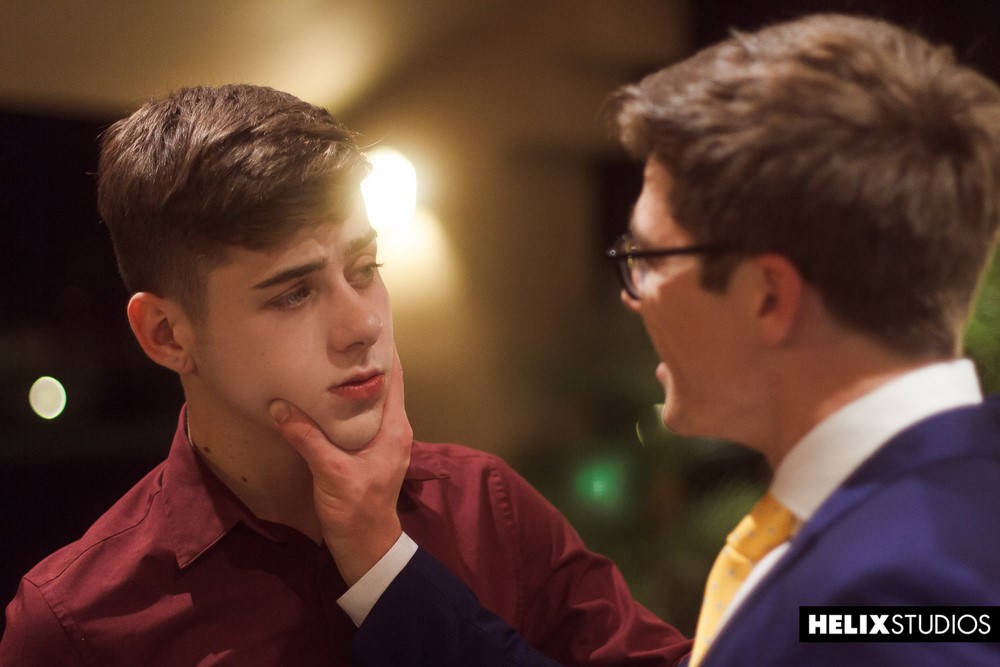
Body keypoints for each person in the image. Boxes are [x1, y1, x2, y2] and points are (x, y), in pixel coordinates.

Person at [295, 13, 1000, 667]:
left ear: (769, 296)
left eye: (651, 258)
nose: (632, 295)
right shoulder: (932, 510)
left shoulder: (897, 592)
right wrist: (386, 567)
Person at [0, 84, 690, 666]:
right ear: (167, 334)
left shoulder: (487, 507)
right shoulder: (77, 623)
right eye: (293, 293)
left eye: (365, 269)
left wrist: (387, 564)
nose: (362, 324)